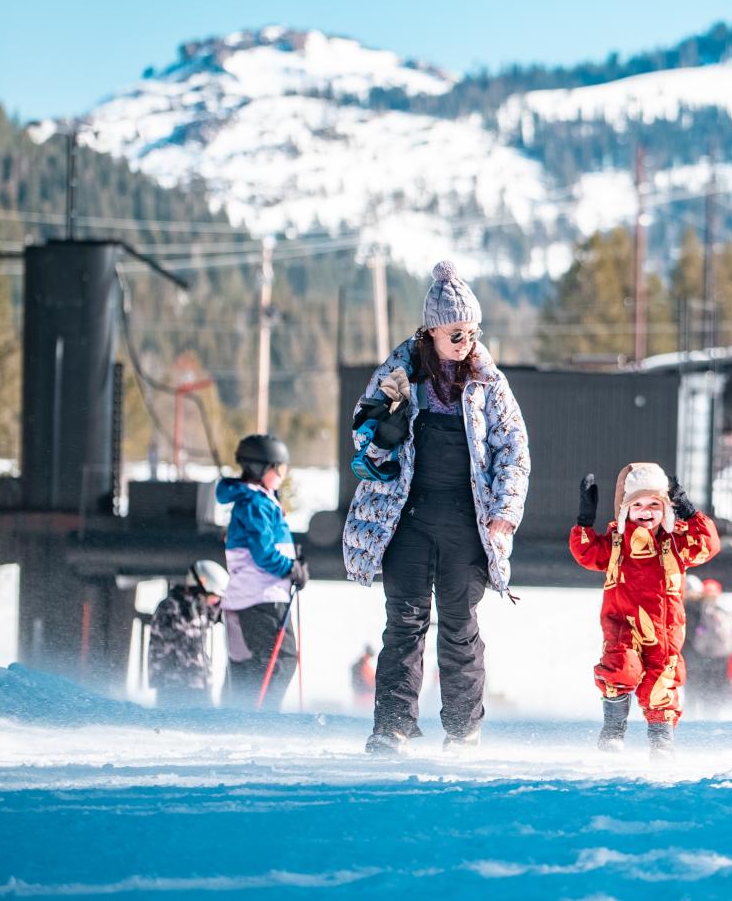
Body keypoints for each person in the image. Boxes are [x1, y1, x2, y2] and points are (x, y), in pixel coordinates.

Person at [343, 261, 530, 756]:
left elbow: (514, 452)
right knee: (403, 623)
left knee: (459, 625)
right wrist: (382, 436)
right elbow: (363, 438)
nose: (464, 339)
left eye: (471, 330)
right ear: (430, 329)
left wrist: (503, 516)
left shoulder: (490, 386)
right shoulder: (399, 375)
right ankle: (392, 726)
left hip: (467, 525)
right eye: (455, 330)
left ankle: (463, 727)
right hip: (405, 520)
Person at [570, 463, 719, 757]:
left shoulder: (675, 542)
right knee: (619, 667)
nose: (646, 510)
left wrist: (689, 511)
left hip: (664, 627)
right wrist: (585, 521)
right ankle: (613, 729)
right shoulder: (616, 543)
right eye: (637, 504)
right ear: (625, 509)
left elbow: (707, 545)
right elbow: (586, 554)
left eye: (654, 504)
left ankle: (661, 739)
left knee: (662, 678)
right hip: (621, 622)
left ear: (666, 508)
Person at [219, 434, 307, 707]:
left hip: (257, 596)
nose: (283, 475)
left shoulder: (257, 499)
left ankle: (243, 714)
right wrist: (290, 567)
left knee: (254, 661)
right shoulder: (255, 503)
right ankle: (261, 718)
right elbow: (262, 552)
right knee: (280, 659)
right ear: (261, 469)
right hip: (262, 597)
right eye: (279, 468)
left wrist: (292, 562)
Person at [148, 559, 228, 707]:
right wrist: (196, 613)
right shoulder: (170, 606)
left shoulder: (203, 608)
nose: (215, 603)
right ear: (201, 588)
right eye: (214, 597)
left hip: (199, 682)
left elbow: (216, 615)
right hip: (172, 684)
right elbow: (171, 630)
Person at [687, 578, 732, 715]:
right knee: (715, 687)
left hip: (703, 653)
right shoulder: (726, 608)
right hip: (721, 654)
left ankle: (701, 715)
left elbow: (694, 631)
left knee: (700, 687)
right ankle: (711, 715)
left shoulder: (703, 608)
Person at [350, 646, 377, 710]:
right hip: (363, 699)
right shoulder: (363, 666)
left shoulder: (364, 665)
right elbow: (368, 682)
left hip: (363, 698)